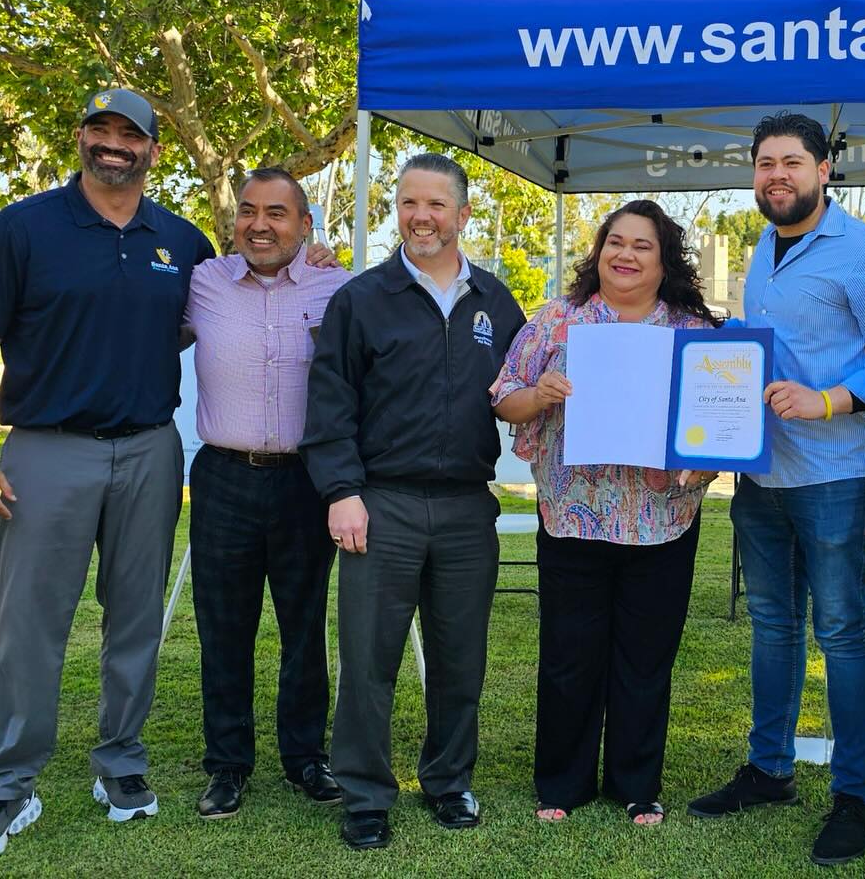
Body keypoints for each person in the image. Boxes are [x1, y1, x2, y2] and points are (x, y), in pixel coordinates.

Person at [0, 89, 216, 863]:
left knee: (135, 618)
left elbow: (226, 303)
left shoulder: (182, 238)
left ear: (153, 151)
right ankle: (7, 782)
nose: (112, 144)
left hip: (148, 449)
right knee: (28, 627)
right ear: (80, 140)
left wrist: (317, 258)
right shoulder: (24, 227)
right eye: (99, 130)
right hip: (46, 448)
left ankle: (121, 764)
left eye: (128, 134)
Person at [688, 112, 865, 867]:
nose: (775, 175)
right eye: (763, 163)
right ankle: (770, 769)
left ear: (826, 169)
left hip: (839, 475)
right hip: (764, 471)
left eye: (791, 162)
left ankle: (854, 795)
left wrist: (830, 399)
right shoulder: (763, 243)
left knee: (843, 630)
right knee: (773, 625)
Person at [300, 152, 525, 851]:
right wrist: (342, 493)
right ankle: (365, 794)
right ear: (395, 211)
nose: (420, 217)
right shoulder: (361, 300)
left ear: (462, 214)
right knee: (369, 659)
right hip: (382, 505)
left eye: (435, 204)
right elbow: (329, 405)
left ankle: (448, 780)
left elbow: (527, 387)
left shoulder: (496, 301)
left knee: (462, 657)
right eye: (407, 204)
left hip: (466, 509)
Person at [491, 200, 718, 827]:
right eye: (615, 242)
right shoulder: (559, 321)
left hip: (662, 518)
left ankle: (636, 785)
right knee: (569, 654)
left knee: (645, 659)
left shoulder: (694, 333)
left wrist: (703, 455)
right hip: (572, 516)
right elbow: (505, 396)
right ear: (599, 252)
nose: (625, 255)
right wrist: (538, 394)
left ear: (665, 259)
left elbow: (718, 426)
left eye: (642, 246)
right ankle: (562, 783)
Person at [183, 168, 351, 819]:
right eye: (249, 211)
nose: (260, 223)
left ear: (305, 226)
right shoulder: (201, 283)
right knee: (224, 630)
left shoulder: (336, 285)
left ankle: (305, 758)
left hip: (305, 481)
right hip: (223, 475)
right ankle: (227, 765)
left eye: (277, 213)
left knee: (303, 628)